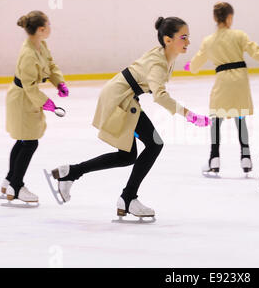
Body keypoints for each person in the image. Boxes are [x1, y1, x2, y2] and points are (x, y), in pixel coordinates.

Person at [50, 17, 210, 219]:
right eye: (183, 37)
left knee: (127, 156)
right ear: (168, 40)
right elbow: (160, 95)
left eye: (188, 37)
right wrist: (190, 115)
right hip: (120, 100)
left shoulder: (165, 55)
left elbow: (149, 83)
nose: (188, 42)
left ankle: (72, 173)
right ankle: (127, 198)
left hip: (124, 98)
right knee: (154, 144)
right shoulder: (159, 62)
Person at [186, 2, 259, 176]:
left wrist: (190, 66)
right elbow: (257, 53)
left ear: (215, 18)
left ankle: (214, 157)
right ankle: (245, 157)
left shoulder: (208, 41)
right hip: (240, 81)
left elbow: (196, 64)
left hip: (223, 82)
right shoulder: (239, 35)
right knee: (240, 118)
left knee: (216, 119)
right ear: (230, 17)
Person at [2, 10, 69, 204]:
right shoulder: (28, 54)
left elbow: (50, 65)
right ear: (40, 29)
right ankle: (16, 186)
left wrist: (59, 82)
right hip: (23, 98)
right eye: (48, 25)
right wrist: (46, 103)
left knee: (24, 140)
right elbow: (29, 85)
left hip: (28, 97)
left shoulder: (41, 45)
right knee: (29, 142)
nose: (50, 28)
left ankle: (9, 180)